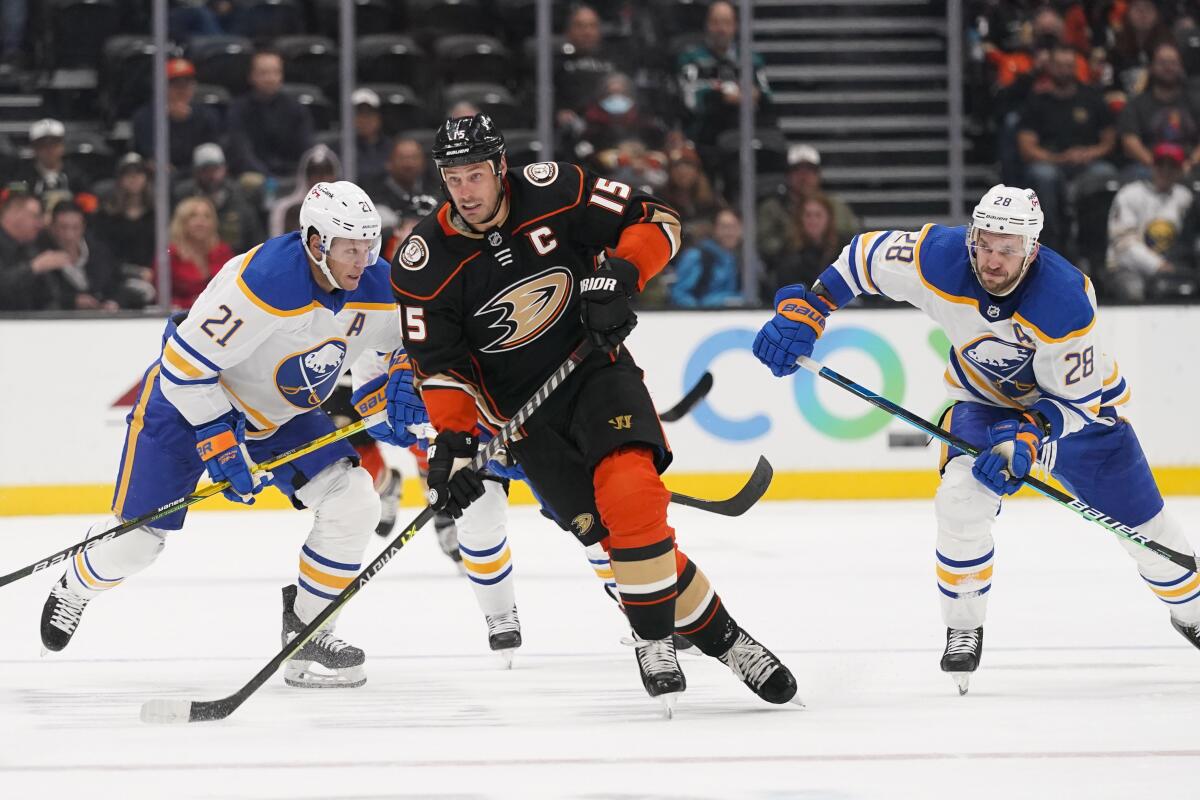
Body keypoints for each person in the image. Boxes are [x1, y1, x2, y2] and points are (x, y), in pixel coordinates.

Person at [386, 113, 798, 710]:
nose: (466, 191)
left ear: (501, 167)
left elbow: (657, 221)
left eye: (476, 175)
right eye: (454, 178)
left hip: (595, 370)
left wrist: (621, 276)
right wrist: (453, 446)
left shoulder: (555, 189)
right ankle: (730, 641)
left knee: (632, 494)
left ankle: (651, 635)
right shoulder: (423, 261)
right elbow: (441, 368)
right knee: (617, 542)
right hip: (523, 421)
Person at [752, 184, 1200, 694]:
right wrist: (812, 307)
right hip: (981, 405)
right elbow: (861, 257)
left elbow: (1078, 403)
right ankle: (964, 625)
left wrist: (1028, 440)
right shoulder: (940, 258)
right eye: (985, 244)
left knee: (1153, 538)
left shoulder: (1064, 300)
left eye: (1008, 249)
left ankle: (1193, 613)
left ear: (1031, 249)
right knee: (960, 502)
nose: (993, 259)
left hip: (1079, 419)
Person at [39, 181, 403, 691]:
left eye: (370, 245)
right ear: (316, 242)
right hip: (188, 403)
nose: (363, 260)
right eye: (350, 247)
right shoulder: (266, 281)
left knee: (355, 500)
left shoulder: (377, 283)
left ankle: (309, 632)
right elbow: (184, 367)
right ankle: (76, 583)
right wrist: (219, 439)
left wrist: (397, 383)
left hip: (280, 414)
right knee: (139, 544)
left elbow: (405, 345)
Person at [1016, 42, 1117, 252]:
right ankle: (1051, 243)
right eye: (1060, 66)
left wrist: (1091, 152)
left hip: (1087, 165)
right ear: (1050, 67)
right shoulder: (1037, 101)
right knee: (1044, 176)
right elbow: (1026, 148)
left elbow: (1110, 140)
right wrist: (1059, 158)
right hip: (1051, 163)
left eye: (1069, 66)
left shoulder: (1091, 97)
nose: (1065, 71)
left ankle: (1096, 246)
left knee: (1106, 173)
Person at [1106, 142, 1197, 302]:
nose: (1166, 171)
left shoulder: (1185, 197)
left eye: (1172, 167)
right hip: (1128, 267)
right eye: (1161, 165)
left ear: (1180, 170)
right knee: (1134, 290)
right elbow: (1123, 245)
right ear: (1153, 166)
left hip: (1172, 266)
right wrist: (1158, 266)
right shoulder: (1130, 194)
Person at [757, 144, 859, 269]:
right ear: (788, 175)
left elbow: (852, 237)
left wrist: (826, 236)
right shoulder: (773, 207)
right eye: (797, 170)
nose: (804, 177)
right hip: (786, 271)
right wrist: (794, 238)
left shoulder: (836, 205)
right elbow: (765, 245)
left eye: (810, 170)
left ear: (818, 174)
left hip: (832, 266)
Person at [226, 49, 315, 180]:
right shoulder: (238, 110)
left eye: (275, 72)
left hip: (293, 177)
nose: (270, 78)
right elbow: (242, 153)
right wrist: (268, 178)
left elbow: (307, 149)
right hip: (255, 178)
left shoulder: (296, 109)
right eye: (263, 73)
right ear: (251, 76)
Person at [131, 58, 221, 173]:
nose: (182, 91)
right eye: (176, 85)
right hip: (157, 177)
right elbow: (148, 153)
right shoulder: (144, 117)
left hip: (196, 175)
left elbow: (209, 153)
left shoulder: (207, 116)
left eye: (187, 85)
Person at [174, 143, 264, 254]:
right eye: (206, 170)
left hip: (234, 262)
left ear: (224, 169)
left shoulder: (241, 199)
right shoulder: (182, 197)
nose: (212, 176)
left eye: (215, 169)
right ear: (196, 172)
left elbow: (256, 244)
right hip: (190, 259)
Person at [35, 200, 122, 311]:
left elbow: (117, 283)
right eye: (63, 227)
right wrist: (71, 301)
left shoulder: (99, 251)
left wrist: (113, 302)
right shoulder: (40, 255)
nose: (69, 235)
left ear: (83, 227)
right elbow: (39, 295)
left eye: (75, 228)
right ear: (52, 227)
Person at [0, 189, 73, 311]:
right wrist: (34, 267)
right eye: (35, 216)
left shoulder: (31, 247)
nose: (40, 224)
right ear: (15, 214)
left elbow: (49, 296)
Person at [163, 196, 234, 309]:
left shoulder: (223, 252)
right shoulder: (169, 255)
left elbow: (232, 291)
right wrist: (191, 303)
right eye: (193, 216)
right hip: (179, 317)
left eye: (207, 216)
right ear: (182, 222)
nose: (201, 222)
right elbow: (161, 298)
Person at [668, 207, 747, 308]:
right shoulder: (696, 256)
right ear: (714, 229)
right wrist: (701, 312)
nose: (730, 233)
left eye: (734, 227)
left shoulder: (742, 260)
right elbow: (679, 295)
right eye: (724, 227)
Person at [268, 144, 340, 238]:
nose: (321, 179)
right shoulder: (284, 209)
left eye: (327, 172)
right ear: (305, 175)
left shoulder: (348, 210)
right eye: (314, 173)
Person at [14, 118, 87, 209]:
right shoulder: (23, 177)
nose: (49, 150)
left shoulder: (76, 176)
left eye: (54, 144)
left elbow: (88, 206)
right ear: (34, 148)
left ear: (62, 146)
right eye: (43, 145)